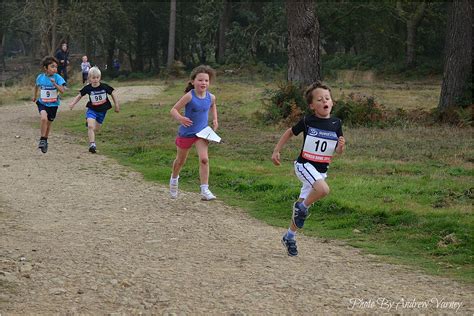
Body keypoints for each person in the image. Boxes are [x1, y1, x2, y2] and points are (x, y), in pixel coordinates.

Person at [271, 81, 346, 256]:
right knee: (323, 190)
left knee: (302, 212)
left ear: (332, 102)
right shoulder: (307, 121)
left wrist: (341, 146)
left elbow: (337, 150)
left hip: (320, 171)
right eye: (319, 99)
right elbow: (289, 132)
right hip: (304, 165)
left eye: (327, 98)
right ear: (312, 106)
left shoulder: (336, 123)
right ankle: (301, 206)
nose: (324, 101)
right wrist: (276, 150)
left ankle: (289, 236)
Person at [169, 65, 218, 201]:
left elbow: (213, 105)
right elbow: (173, 110)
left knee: (204, 159)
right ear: (193, 82)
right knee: (180, 161)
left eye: (206, 81)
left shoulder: (211, 97)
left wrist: (215, 119)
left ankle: (204, 189)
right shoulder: (189, 96)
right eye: (200, 80)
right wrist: (181, 118)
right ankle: (174, 180)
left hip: (202, 133)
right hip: (187, 133)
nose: (203, 83)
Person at [68, 67, 120, 153]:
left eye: (97, 77)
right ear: (89, 78)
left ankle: (90, 124)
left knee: (96, 128)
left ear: (99, 77)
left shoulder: (104, 86)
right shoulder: (88, 88)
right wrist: (73, 103)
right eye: (93, 78)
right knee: (91, 126)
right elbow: (80, 95)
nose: (95, 80)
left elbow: (113, 93)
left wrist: (116, 105)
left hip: (102, 111)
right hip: (92, 109)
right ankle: (92, 144)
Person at [32, 56, 66, 153]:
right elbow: (36, 86)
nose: (55, 69)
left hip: (53, 105)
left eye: (56, 67)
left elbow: (62, 91)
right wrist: (34, 96)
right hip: (42, 103)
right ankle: (42, 139)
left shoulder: (58, 77)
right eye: (52, 66)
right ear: (45, 68)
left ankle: (45, 140)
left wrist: (55, 84)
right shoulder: (40, 77)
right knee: (43, 118)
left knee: (49, 124)